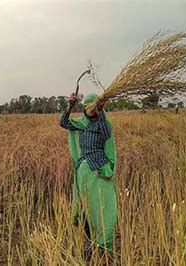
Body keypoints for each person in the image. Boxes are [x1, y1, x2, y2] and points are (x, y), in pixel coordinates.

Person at [59, 93, 117, 258]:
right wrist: (70, 105)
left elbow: (107, 135)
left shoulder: (102, 124)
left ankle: (104, 247)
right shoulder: (82, 123)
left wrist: (100, 111)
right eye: (88, 108)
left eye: (93, 108)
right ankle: (93, 243)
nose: (90, 111)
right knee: (86, 209)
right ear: (84, 108)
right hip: (83, 172)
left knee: (102, 208)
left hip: (99, 171)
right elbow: (63, 122)